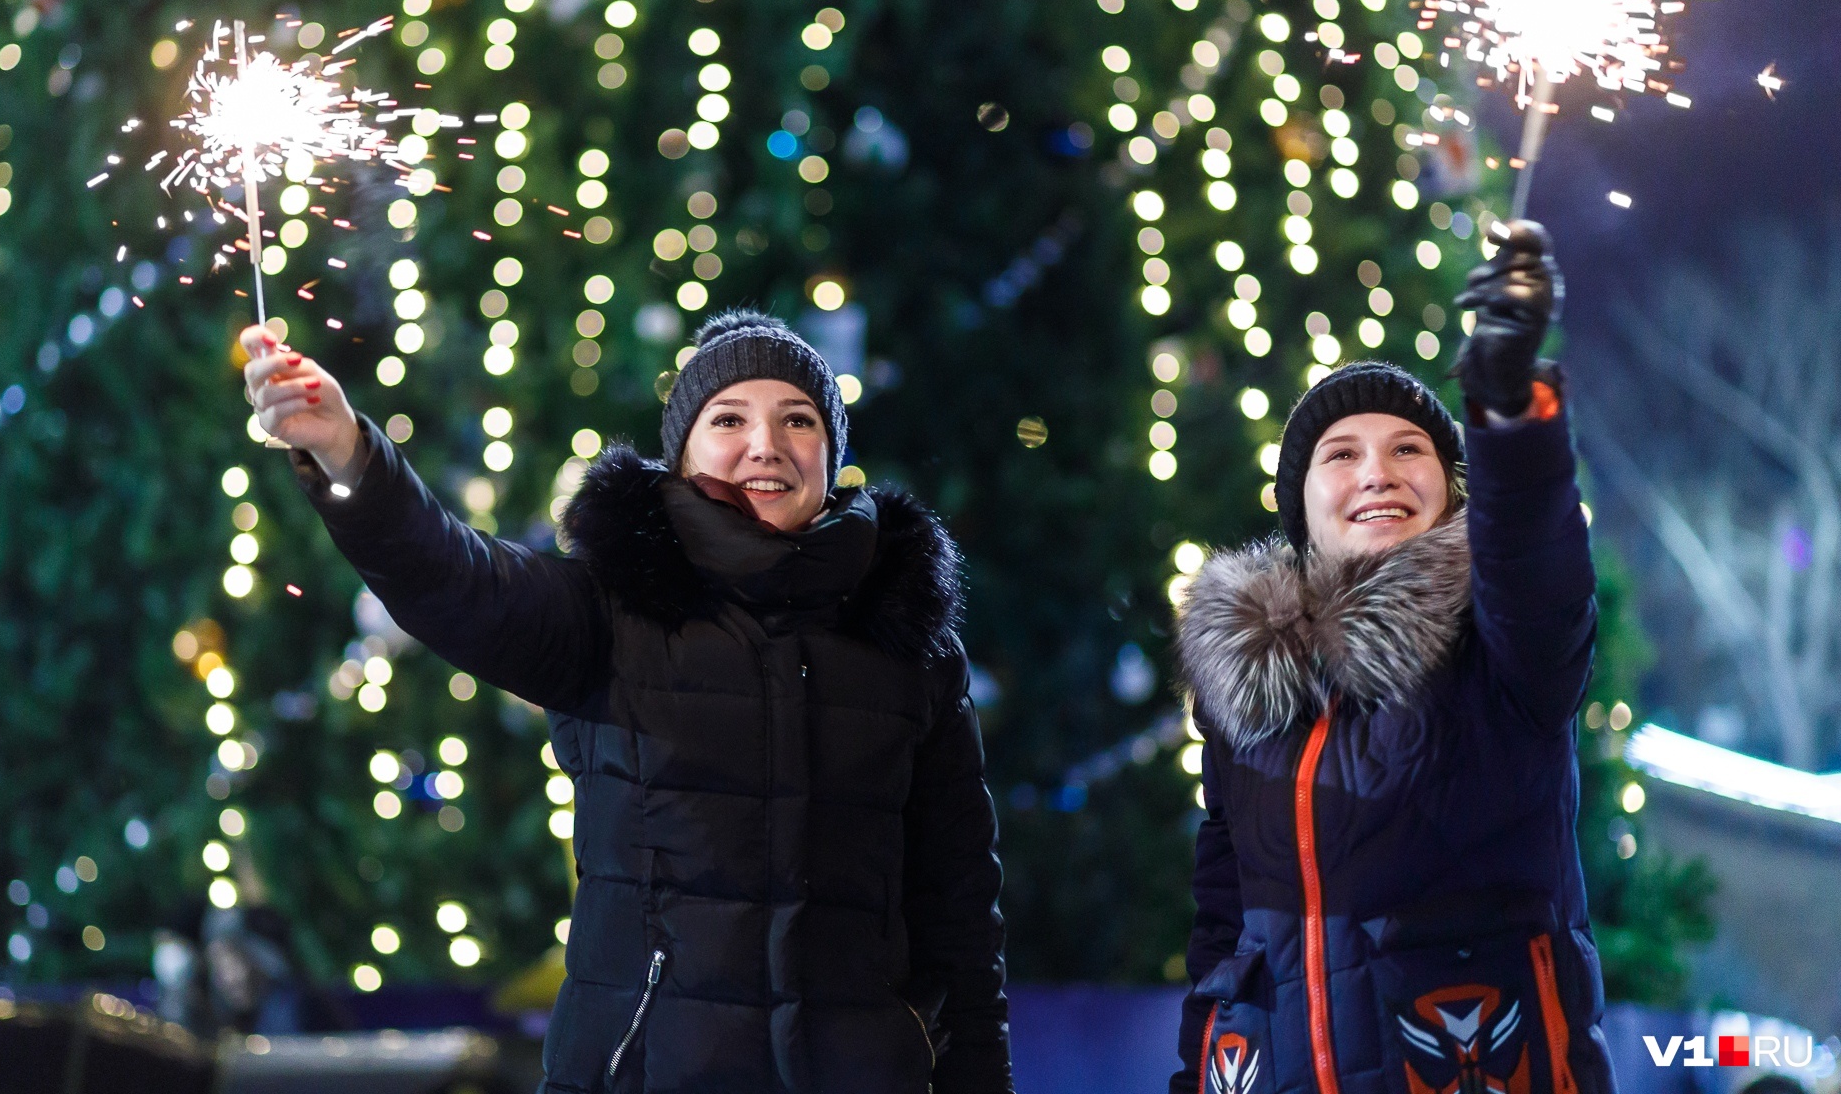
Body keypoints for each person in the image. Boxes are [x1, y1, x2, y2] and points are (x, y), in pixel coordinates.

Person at [242, 310, 1013, 1094]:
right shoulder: (612, 611)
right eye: (728, 418)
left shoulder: (909, 648)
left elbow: (960, 911)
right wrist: (347, 453)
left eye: (798, 419)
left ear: (832, 453)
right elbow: (453, 579)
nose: (766, 445)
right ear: (682, 454)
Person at [1170, 223, 1616, 1094]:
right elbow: (1223, 934)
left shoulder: (1500, 640)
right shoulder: (1248, 695)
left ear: (1451, 490)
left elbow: (1533, 552)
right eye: (1342, 455)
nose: (1378, 472)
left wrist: (1508, 411)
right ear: (1301, 512)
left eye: (1409, 450)